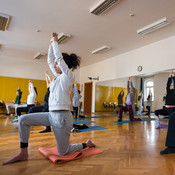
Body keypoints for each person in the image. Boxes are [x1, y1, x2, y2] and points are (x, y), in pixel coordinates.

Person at [2, 32, 95, 165]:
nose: (54, 66)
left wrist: (56, 42)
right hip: (51, 114)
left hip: (62, 118)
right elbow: (50, 60)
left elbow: (58, 59)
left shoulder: (68, 77)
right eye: (56, 64)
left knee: (63, 151)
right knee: (23, 119)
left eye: (57, 64)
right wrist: (51, 44)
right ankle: (23, 153)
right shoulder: (57, 78)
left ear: (64, 65)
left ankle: (86, 144)